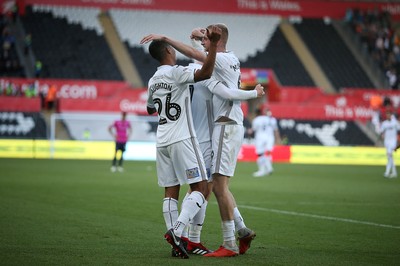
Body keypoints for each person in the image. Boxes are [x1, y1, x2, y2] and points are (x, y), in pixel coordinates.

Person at [141, 23, 257, 257]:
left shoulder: (159, 79)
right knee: (206, 187)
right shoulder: (195, 72)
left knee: (193, 189)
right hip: (197, 135)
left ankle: (196, 236)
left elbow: (150, 108)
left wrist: (199, 42)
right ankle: (193, 236)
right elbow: (205, 64)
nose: (203, 41)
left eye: (206, 39)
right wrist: (254, 93)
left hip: (177, 136)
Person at [179, 28, 265, 256]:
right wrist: (199, 40)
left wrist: (253, 94)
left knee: (208, 187)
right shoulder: (230, 59)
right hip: (217, 128)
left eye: (206, 39)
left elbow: (227, 91)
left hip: (216, 130)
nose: (203, 44)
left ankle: (202, 239)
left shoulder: (204, 71)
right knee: (215, 186)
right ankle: (240, 229)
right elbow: (207, 57)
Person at [143, 26, 221, 259]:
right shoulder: (176, 72)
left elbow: (150, 109)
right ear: (168, 50)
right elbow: (206, 73)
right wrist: (212, 47)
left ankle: (174, 244)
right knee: (201, 188)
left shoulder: (152, 80)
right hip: (183, 137)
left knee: (170, 191)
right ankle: (177, 231)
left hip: (162, 140)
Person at [248, 108, 281, 177]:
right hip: (270, 137)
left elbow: (253, 129)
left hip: (260, 138)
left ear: (256, 114)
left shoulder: (256, 120)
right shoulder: (271, 119)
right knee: (268, 153)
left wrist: (249, 131)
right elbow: (276, 130)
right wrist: (278, 139)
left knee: (260, 154)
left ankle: (262, 170)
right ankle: (269, 168)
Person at [379, 110, 400, 178]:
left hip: (393, 141)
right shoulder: (384, 123)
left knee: (389, 154)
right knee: (389, 157)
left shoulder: (395, 123)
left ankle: (387, 172)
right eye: (387, 115)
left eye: (389, 114)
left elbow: (399, 130)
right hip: (387, 141)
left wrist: (398, 142)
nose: (388, 116)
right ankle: (393, 172)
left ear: (391, 115)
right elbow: (381, 131)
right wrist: (382, 135)